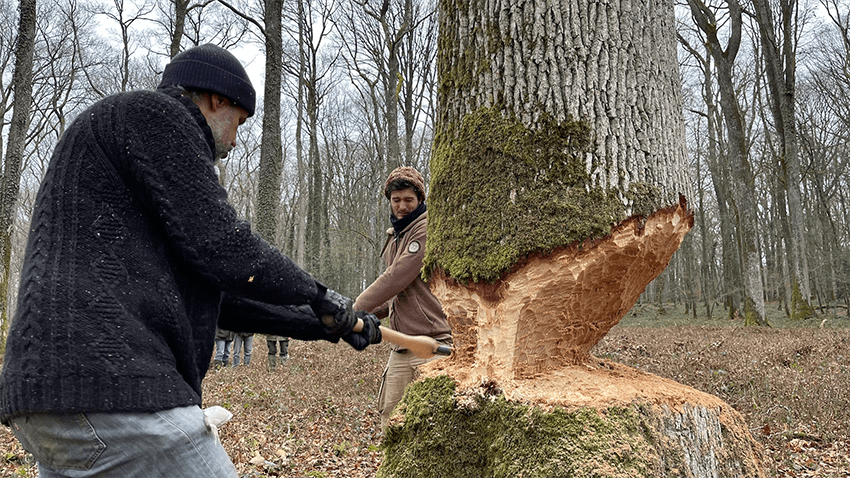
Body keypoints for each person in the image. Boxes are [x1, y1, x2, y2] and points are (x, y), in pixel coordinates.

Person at [0, 43, 381, 478]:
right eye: (237, 123)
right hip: (113, 387)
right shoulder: (157, 114)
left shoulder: (122, 155)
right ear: (217, 99)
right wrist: (319, 293)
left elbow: (224, 295)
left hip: (44, 402)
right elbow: (224, 244)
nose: (234, 142)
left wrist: (324, 322)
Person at [354, 166, 452, 429]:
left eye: (409, 199)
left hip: (431, 344)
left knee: (433, 426)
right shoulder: (395, 236)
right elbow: (395, 294)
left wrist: (354, 307)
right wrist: (365, 315)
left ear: (420, 199)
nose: (402, 206)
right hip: (399, 346)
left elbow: (396, 277)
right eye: (396, 200)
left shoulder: (426, 228)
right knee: (391, 420)